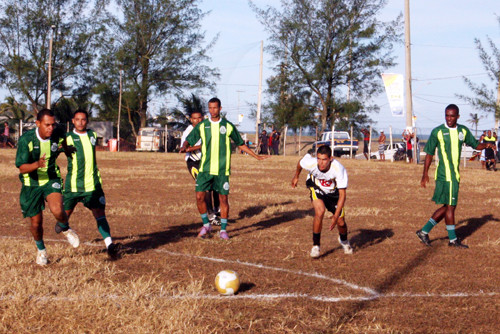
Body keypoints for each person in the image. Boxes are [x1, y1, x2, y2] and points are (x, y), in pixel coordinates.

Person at [180, 98, 269, 240]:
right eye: (210, 108)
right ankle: (206, 224)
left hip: (222, 170)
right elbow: (190, 138)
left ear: (220, 109)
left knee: (223, 200)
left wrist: (255, 156)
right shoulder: (202, 126)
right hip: (204, 169)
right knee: (199, 197)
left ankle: (223, 230)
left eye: (215, 108)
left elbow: (240, 143)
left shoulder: (227, 126)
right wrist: (184, 146)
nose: (212, 111)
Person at [416, 104, 495, 249]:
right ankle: (453, 240)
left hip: (454, 175)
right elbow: (429, 153)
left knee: (448, 206)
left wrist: (487, 145)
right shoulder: (438, 131)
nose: (449, 118)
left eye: (452, 116)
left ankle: (423, 231)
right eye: (447, 115)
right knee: (451, 207)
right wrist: (424, 174)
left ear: (458, 116)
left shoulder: (462, 130)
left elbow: (476, 145)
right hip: (446, 175)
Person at [15, 109, 80, 265]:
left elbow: (63, 139)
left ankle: (65, 229)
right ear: (38, 124)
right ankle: (41, 251)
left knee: (57, 209)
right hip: (31, 183)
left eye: (53, 124)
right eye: (47, 125)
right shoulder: (26, 140)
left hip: (51, 178)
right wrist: (37, 164)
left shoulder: (57, 133)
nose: (51, 128)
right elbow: (22, 168)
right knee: (36, 223)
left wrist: (66, 148)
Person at [63, 110, 121, 259]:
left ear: (87, 121)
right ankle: (67, 230)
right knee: (62, 218)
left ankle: (110, 245)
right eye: (77, 119)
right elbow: (55, 149)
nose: (80, 122)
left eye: (83, 120)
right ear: (73, 121)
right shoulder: (67, 138)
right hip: (74, 186)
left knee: (100, 214)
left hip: (93, 184)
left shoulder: (92, 135)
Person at [291, 145, 352, 258]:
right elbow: (300, 162)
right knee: (320, 212)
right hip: (316, 186)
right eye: (319, 158)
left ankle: (344, 240)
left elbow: (342, 195)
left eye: (324, 159)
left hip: (333, 194)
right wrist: (296, 176)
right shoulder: (312, 163)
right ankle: (316, 246)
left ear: (330, 158)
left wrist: (335, 216)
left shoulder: (339, 169)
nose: (321, 163)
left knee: (341, 222)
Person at [180, 109, 221, 224]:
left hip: (207, 162)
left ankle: (217, 210)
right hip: (194, 163)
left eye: (199, 118)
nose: (197, 120)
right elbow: (185, 146)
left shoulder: (207, 128)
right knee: (205, 188)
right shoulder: (188, 131)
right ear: (191, 119)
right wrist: (192, 147)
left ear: (203, 118)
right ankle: (211, 216)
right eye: (194, 118)